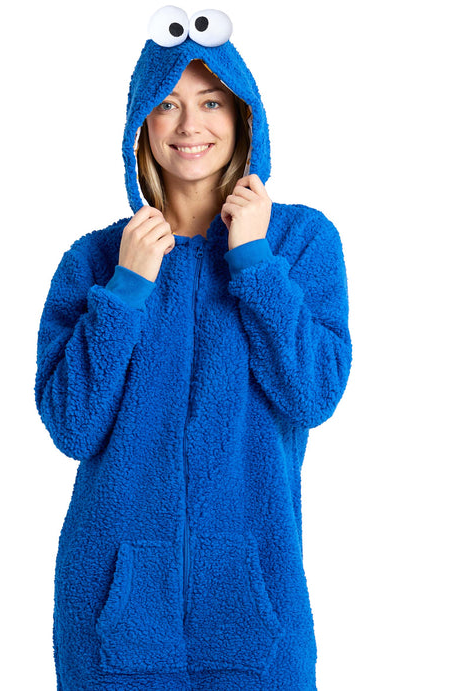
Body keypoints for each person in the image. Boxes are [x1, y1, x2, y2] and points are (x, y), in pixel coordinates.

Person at [34, 6, 352, 690]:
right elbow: (71, 426)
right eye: (167, 105)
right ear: (141, 125)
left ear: (241, 116)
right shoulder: (94, 261)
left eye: (209, 102)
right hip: (112, 622)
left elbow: (313, 394)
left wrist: (254, 262)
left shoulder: (301, 243)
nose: (189, 125)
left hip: (258, 619)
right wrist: (125, 290)